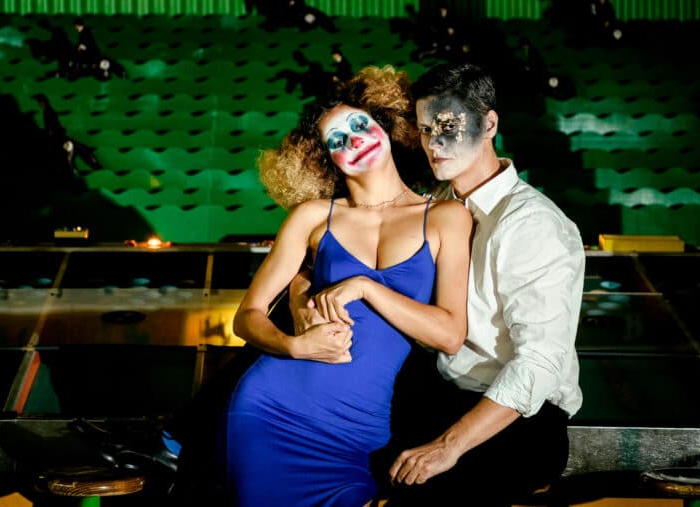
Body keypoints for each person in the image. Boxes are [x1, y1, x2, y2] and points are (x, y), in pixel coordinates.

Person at [289, 62, 586, 507]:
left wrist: (449, 446)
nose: (434, 144)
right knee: (312, 436)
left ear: (489, 124)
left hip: (518, 420)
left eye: (448, 126)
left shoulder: (534, 224)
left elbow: (539, 363)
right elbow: (323, 265)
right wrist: (300, 303)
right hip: (438, 392)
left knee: (412, 487)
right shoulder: (438, 206)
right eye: (426, 130)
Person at [218, 65, 473, 507]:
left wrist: (365, 287)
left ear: (387, 127)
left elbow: (450, 334)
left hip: (359, 430)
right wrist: (294, 345)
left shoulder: (447, 217)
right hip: (272, 411)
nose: (352, 140)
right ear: (325, 159)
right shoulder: (312, 217)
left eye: (359, 125)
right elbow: (247, 317)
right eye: (336, 140)